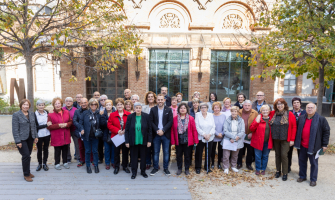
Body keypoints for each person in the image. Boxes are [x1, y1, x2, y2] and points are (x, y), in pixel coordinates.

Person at [294, 103, 330, 187]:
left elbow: (326, 132)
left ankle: (313, 179)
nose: (309, 109)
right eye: (308, 108)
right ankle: (302, 176)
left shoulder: (321, 119)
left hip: (314, 146)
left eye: (311, 108)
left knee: (314, 163)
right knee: (302, 162)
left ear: (315, 109)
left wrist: (324, 144)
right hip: (302, 145)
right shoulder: (301, 118)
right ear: (305, 109)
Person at [269, 98, 297, 181]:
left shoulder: (289, 114)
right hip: (276, 138)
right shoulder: (273, 113)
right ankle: (278, 171)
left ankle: (285, 173)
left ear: (284, 105)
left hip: (285, 139)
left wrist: (292, 139)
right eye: (278, 104)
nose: (279, 106)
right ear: (276, 106)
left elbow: (294, 127)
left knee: (284, 155)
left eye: (281, 104)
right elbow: (264, 113)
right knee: (277, 155)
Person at [12, 99, 38, 182]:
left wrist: (35, 137)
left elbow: (34, 126)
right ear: (21, 105)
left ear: (29, 106)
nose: (25, 106)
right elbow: (15, 129)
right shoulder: (16, 115)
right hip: (21, 139)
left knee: (28, 155)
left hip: (30, 138)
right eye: (24, 104)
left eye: (27, 105)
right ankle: (26, 174)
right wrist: (18, 141)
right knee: (26, 155)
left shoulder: (31, 114)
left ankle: (28, 171)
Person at [125, 102, 152, 179]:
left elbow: (150, 129)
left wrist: (149, 141)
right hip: (133, 141)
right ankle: (134, 172)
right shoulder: (130, 117)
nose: (138, 109)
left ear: (141, 108)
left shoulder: (146, 116)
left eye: (139, 108)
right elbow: (126, 130)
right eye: (136, 108)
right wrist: (127, 141)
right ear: (134, 109)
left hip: (143, 140)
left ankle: (143, 171)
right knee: (134, 157)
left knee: (143, 157)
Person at [171, 103, 199, 175]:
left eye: (184, 108)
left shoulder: (191, 118)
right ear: (179, 109)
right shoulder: (175, 119)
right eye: (181, 108)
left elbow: (194, 130)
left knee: (187, 156)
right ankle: (179, 168)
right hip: (179, 141)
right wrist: (173, 141)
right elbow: (172, 131)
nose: (182, 109)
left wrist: (196, 140)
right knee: (179, 156)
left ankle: (186, 169)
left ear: (187, 109)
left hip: (188, 141)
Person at [149, 94, 173, 176]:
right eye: (158, 100)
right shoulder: (153, 109)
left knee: (166, 152)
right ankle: (155, 168)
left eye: (161, 99)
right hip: (156, 134)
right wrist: (157, 130)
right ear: (156, 100)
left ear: (164, 100)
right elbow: (151, 121)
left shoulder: (169, 110)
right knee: (156, 152)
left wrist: (163, 130)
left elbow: (170, 122)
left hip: (166, 134)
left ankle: (166, 168)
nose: (160, 101)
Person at [47, 97, 72, 170]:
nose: (58, 105)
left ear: (61, 104)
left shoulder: (66, 112)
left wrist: (67, 125)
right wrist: (59, 125)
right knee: (57, 150)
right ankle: (57, 163)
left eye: (59, 103)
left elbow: (70, 121)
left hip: (65, 134)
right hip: (56, 135)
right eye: (56, 104)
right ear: (53, 105)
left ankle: (65, 162)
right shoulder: (50, 114)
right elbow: (49, 126)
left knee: (65, 149)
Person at [107, 98, 131, 174]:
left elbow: (131, 125)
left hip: (125, 136)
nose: (120, 106)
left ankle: (124, 166)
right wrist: (117, 130)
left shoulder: (129, 114)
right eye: (118, 105)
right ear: (116, 106)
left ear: (123, 105)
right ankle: (116, 166)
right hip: (116, 136)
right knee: (116, 152)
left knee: (125, 152)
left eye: (121, 104)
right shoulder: (112, 114)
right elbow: (109, 125)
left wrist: (125, 130)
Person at [250, 105, 273, 175]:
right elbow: (252, 128)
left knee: (265, 156)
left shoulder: (271, 120)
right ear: (261, 111)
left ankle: (263, 169)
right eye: (263, 110)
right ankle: (257, 169)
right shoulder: (258, 118)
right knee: (257, 156)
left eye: (266, 110)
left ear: (269, 111)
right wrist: (257, 121)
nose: (265, 111)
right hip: (258, 141)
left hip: (267, 142)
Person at [221, 106, 245, 174]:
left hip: (237, 139)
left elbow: (243, 131)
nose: (234, 113)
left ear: (237, 112)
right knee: (226, 155)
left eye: (235, 111)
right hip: (228, 139)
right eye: (232, 111)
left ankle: (233, 166)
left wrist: (236, 138)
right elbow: (225, 131)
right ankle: (226, 167)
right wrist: (232, 138)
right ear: (230, 112)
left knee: (235, 155)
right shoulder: (227, 120)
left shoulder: (241, 120)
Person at [79, 98, 101, 174]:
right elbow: (80, 123)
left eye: (95, 104)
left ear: (97, 105)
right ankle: (88, 166)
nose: (93, 106)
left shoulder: (99, 114)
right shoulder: (85, 113)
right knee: (88, 151)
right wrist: (81, 129)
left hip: (96, 136)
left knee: (95, 151)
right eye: (92, 104)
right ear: (89, 105)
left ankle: (96, 165)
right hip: (86, 136)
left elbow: (102, 124)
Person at [195, 102, 216, 174]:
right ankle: (198, 167)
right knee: (199, 153)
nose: (203, 109)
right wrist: (204, 134)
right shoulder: (197, 115)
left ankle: (207, 166)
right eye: (202, 108)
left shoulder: (210, 115)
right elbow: (197, 126)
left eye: (205, 107)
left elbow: (213, 126)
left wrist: (209, 134)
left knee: (208, 152)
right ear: (200, 108)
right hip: (201, 137)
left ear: (207, 108)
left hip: (210, 137)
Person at [237, 100, 258, 170]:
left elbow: (257, 124)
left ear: (251, 106)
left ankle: (248, 164)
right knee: (240, 150)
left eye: (248, 105)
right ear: (243, 106)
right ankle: (239, 163)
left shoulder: (255, 113)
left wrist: (252, 133)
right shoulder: (238, 112)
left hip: (250, 134)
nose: (247, 107)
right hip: (240, 134)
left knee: (250, 150)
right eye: (245, 105)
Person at [288, 97, 306, 172]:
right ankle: (287, 168)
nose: (296, 104)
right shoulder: (289, 112)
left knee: (301, 154)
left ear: (300, 104)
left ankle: (301, 170)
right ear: (292, 104)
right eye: (294, 103)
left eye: (297, 102)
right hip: (290, 135)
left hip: (300, 136)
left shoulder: (304, 113)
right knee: (288, 153)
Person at [73, 98, 92, 167]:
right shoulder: (77, 111)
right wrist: (81, 128)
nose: (83, 104)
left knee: (90, 146)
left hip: (90, 131)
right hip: (80, 132)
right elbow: (74, 121)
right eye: (82, 103)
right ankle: (82, 160)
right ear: (80, 104)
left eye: (85, 102)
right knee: (81, 147)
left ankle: (91, 159)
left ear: (87, 103)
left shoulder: (91, 110)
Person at [142, 91, 157, 169]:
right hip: (147, 131)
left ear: (154, 98)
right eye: (149, 97)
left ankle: (155, 163)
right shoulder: (144, 108)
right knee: (147, 148)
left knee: (155, 148)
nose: (150, 98)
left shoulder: (158, 107)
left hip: (155, 130)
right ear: (147, 99)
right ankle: (148, 162)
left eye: (152, 97)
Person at [35, 99, 50, 171]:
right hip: (39, 135)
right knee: (39, 150)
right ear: (37, 106)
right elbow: (35, 126)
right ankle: (39, 164)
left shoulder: (47, 112)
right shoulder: (34, 114)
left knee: (46, 149)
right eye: (39, 105)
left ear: (44, 105)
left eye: (42, 105)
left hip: (47, 134)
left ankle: (45, 163)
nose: (41, 106)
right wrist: (45, 125)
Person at [100, 100, 116, 170]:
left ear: (112, 105)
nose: (108, 106)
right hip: (106, 134)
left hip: (114, 134)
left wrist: (108, 122)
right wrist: (110, 123)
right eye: (107, 105)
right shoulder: (103, 114)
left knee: (113, 149)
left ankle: (113, 162)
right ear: (105, 106)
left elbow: (116, 124)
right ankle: (107, 163)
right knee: (107, 150)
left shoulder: (115, 113)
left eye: (110, 105)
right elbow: (102, 124)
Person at [210, 102, 225, 169]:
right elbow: (210, 126)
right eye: (215, 108)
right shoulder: (210, 116)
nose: (216, 109)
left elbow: (225, 126)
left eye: (218, 108)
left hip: (221, 136)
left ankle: (219, 164)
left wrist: (221, 133)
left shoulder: (223, 116)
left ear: (220, 108)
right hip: (213, 136)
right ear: (213, 108)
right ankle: (212, 163)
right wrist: (216, 133)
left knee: (220, 151)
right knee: (212, 151)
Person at [63, 97, 78, 163]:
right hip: (66, 129)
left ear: (72, 102)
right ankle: (68, 157)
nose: (68, 102)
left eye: (70, 101)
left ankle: (78, 157)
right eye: (67, 101)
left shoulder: (76, 110)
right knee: (67, 144)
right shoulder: (62, 109)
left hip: (74, 129)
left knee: (77, 144)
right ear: (65, 102)